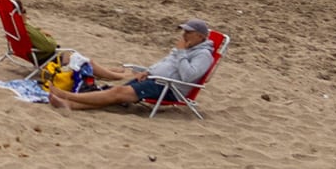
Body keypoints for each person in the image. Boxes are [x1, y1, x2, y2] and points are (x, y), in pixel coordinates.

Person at [48, 19, 216, 111]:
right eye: (184, 31)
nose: (184, 35)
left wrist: (180, 53)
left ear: (201, 37)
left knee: (118, 92)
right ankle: (70, 105)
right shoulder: (186, 49)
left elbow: (188, 76)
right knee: (115, 93)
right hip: (155, 80)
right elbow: (166, 63)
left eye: (188, 32)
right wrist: (148, 71)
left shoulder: (203, 55)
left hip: (168, 88)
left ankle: (67, 96)